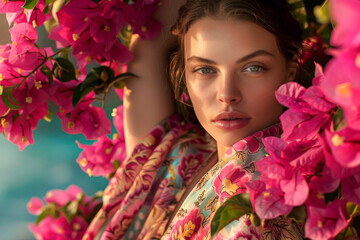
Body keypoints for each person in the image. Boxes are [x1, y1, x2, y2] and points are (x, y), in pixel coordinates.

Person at [83, 0, 305, 239]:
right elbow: (149, 45)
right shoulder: (181, 157)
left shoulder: (267, 207)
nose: (227, 94)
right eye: (205, 70)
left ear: (289, 72)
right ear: (185, 74)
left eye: (253, 68)